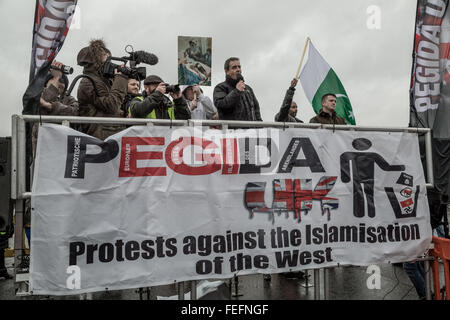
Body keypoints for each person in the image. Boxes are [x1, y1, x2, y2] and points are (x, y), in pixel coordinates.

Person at [76, 39, 128, 140]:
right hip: (98, 137)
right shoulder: (88, 82)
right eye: (105, 55)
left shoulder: (103, 80)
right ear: (96, 59)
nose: (109, 59)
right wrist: (121, 79)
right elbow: (111, 105)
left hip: (109, 134)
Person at [32, 60, 79, 155]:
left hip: (63, 146)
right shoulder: (37, 95)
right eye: (54, 80)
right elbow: (42, 102)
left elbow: (74, 111)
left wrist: (51, 106)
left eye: (62, 81)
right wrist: (56, 79)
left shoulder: (69, 99)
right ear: (46, 83)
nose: (59, 83)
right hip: (42, 146)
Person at [213, 57, 262, 121]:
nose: (238, 69)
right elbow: (221, 104)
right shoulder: (220, 87)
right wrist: (237, 91)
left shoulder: (248, 89)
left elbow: (256, 110)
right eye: (234, 67)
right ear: (227, 71)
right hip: (232, 130)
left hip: (252, 129)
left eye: (239, 67)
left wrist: (260, 126)